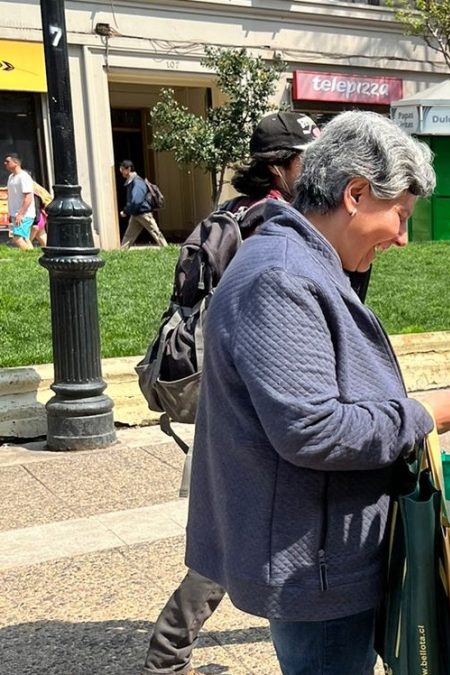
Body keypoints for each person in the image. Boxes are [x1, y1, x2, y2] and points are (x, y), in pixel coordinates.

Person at [184, 111, 450, 675]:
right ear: (356, 194)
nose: (404, 238)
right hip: (314, 567)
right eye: (401, 215)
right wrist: (416, 417)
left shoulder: (305, 263)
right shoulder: (283, 276)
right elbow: (312, 429)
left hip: (323, 553)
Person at [142, 110, 322, 675]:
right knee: (238, 527)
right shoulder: (274, 225)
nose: (318, 170)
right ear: (280, 166)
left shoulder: (226, 216)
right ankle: (167, 656)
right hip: (254, 398)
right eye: (307, 160)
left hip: (230, 390)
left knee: (241, 523)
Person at [119, 160, 168, 249]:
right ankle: (121, 253)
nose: (121, 172)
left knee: (156, 232)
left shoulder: (137, 182)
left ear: (128, 169)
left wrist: (126, 211)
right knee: (129, 236)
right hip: (136, 214)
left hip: (143, 213)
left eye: (122, 169)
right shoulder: (132, 182)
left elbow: (136, 200)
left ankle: (167, 249)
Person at [4, 153, 36, 251]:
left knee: (17, 237)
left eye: (8, 161)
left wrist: (20, 214)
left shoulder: (24, 177)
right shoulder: (11, 177)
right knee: (25, 238)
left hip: (24, 215)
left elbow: (28, 197)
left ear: (16, 162)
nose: (5, 163)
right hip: (15, 214)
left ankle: (28, 257)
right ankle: (32, 255)